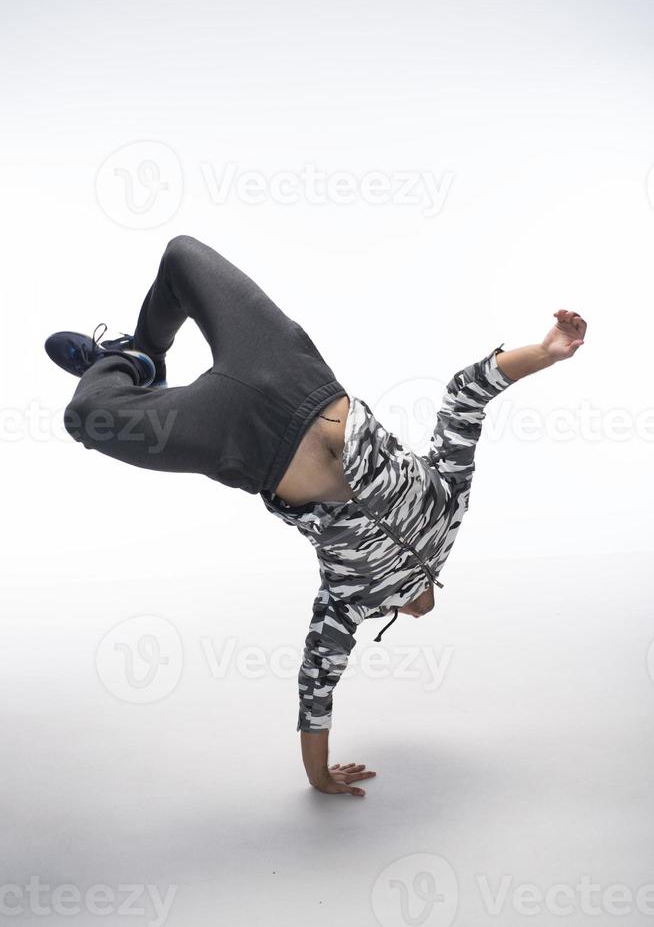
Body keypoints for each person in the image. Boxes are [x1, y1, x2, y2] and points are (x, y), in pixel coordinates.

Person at [45, 234, 587, 797]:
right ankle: (145, 355)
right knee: (182, 258)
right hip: (294, 373)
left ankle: (117, 365)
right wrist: (545, 354)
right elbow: (465, 396)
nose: (421, 610)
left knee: (88, 416)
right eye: (424, 604)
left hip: (243, 442)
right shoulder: (449, 504)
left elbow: (316, 684)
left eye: (409, 611)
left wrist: (318, 776)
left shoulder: (348, 602)